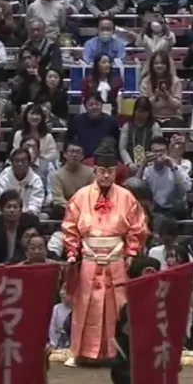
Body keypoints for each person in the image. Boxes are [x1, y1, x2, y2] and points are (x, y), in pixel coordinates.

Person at [61, 140, 149, 366]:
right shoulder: (80, 196)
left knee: (116, 307)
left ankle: (116, 353)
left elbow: (138, 228)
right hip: (89, 257)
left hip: (116, 258)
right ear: (95, 171)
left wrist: (131, 252)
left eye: (110, 171)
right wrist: (72, 251)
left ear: (115, 172)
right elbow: (70, 227)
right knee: (86, 305)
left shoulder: (127, 197)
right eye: (102, 171)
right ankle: (83, 352)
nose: (106, 175)